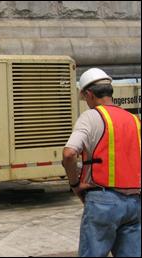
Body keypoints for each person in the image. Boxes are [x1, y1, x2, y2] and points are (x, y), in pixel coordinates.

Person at [62, 68, 141, 257]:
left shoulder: (90, 117)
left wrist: (75, 184)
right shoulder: (134, 120)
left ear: (89, 94)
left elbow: (69, 154)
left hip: (103, 201)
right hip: (134, 203)